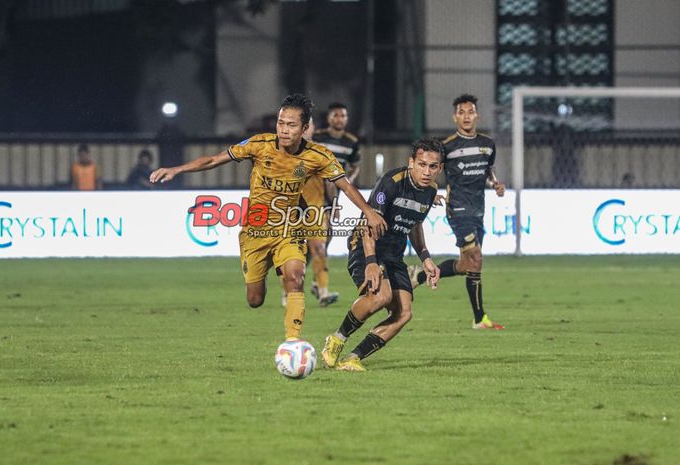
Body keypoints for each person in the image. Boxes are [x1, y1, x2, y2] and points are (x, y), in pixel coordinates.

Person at [150, 94, 387, 341]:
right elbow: (213, 159)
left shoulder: (319, 156)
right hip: (256, 231)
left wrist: (369, 212)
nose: (284, 130)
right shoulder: (259, 144)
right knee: (255, 299)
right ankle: (267, 280)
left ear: (305, 128)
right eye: (281, 123)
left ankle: (293, 343)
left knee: (296, 277)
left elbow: (346, 185)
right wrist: (176, 169)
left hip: (290, 229)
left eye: (291, 125)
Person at [321, 137, 444, 372]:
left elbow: (415, 226)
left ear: (440, 168)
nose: (426, 171)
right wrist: (370, 263)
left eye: (432, 166)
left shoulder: (431, 191)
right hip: (366, 245)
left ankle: (353, 358)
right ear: (411, 162)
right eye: (421, 164)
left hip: (394, 254)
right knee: (381, 297)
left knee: (403, 313)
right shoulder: (391, 182)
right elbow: (371, 222)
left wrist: (426, 258)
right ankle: (337, 338)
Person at [408, 94, 505, 330]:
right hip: (457, 209)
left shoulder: (488, 144)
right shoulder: (448, 147)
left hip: (478, 209)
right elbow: (430, 172)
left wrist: (495, 183)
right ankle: (479, 318)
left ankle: (419, 276)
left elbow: (488, 170)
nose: (466, 116)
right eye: (461, 112)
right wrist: (432, 192)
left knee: (467, 264)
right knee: (477, 258)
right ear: (455, 117)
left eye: (470, 111)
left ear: (476, 115)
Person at [280, 117, 340, 308]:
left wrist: (334, 205)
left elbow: (331, 182)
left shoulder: (322, 153)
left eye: (308, 125)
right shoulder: (282, 152)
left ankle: (323, 293)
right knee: (293, 256)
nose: (304, 129)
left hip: (315, 211)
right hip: (291, 212)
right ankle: (287, 291)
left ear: (312, 128)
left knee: (319, 250)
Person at [311, 102, 361, 299]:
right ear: (329, 118)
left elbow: (355, 165)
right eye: (336, 115)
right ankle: (319, 287)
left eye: (343, 116)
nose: (339, 119)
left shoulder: (351, 142)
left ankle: (317, 282)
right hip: (314, 191)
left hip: (334, 192)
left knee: (327, 235)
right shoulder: (318, 137)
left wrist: (348, 181)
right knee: (319, 238)